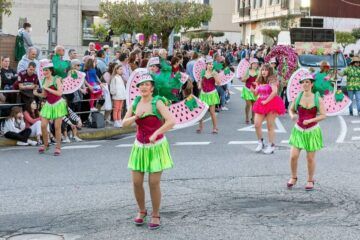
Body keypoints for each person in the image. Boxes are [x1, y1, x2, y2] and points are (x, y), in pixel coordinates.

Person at [123, 73, 175, 230]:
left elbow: (171, 121)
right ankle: (142, 210)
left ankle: (156, 214)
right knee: (137, 182)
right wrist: (135, 117)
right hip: (139, 146)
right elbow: (124, 123)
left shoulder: (157, 102)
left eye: (147, 84)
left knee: (153, 183)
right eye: (141, 84)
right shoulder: (135, 103)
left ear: (152, 88)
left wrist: (155, 133)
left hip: (156, 146)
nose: (143, 87)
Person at [287, 73, 326, 191]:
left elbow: (324, 115)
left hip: (312, 130)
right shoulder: (298, 97)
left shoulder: (317, 98)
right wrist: (292, 115)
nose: (305, 84)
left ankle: (310, 179)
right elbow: (291, 110)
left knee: (310, 158)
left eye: (307, 82)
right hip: (298, 130)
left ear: (312, 84)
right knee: (293, 156)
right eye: (303, 82)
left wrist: (311, 120)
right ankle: (293, 177)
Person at [33, 63, 67, 156]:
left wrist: (48, 88)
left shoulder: (57, 79)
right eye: (44, 70)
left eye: (47, 70)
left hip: (58, 104)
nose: (45, 72)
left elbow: (59, 93)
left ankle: (58, 147)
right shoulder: (43, 80)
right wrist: (36, 94)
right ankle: (46, 145)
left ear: (51, 71)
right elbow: (44, 95)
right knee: (43, 125)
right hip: (48, 104)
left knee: (57, 127)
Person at [252, 64, 286, 154]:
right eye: (262, 70)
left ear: (269, 71)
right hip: (261, 103)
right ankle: (260, 142)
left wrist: (266, 101)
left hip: (272, 103)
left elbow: (274, 92)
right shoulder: (259, 80)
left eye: (266, 70)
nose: (263, 71)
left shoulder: (272, 79)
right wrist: (252, 90)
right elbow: (255, 94)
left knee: (270, 126)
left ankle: (271, 145)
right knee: (256, 124)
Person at [197, 56, 221, 134]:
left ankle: (215, 128)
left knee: (212, 112)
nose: (211, 65)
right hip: (203, 94)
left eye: (212, 64)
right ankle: (200, 126)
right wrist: (199, 85)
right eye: (209, 64)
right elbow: (200, 80)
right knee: (201, 111)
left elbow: (218, 83)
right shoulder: (203, 72)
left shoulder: (214, 72)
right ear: (206, 65)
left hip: (211, 94)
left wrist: (215, 76)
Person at [241, 58, 259, 124]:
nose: (255, 65)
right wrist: (246, 78)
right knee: (248, 105)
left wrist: (257, 82)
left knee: (254, 105)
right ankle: (247, 117)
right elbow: (242, 80)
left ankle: (253, 118)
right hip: (247, 90)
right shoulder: (247, 71)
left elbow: (260, 81)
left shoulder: (258, 72)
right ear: (251, 65)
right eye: (254, 63)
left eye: (256, 64)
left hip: (255, 90)